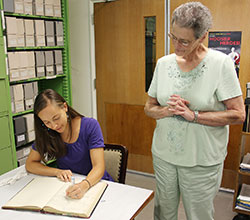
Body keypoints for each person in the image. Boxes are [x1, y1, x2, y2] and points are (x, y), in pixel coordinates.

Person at [144, 2, 245, 220]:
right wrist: (165, 111)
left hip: (201, 161)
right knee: (163, 213)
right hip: (164, 156)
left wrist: (194, 116)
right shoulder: (163, 64)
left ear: (202, 37)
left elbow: (238, 114)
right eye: (173, 37)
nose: (177, 46)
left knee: (198, 216)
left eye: (185, 41)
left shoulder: (220, 64)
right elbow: (149, 107)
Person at [26, 89, 113, 199]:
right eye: (47, 122)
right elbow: (30, 164)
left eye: (56, 118)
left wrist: (84, 185)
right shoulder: (47, 132)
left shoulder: (90, 125)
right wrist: (57, 172)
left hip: (95, 184)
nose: (54, 126)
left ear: (65, 107)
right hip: (68, 185)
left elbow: (99, 167)